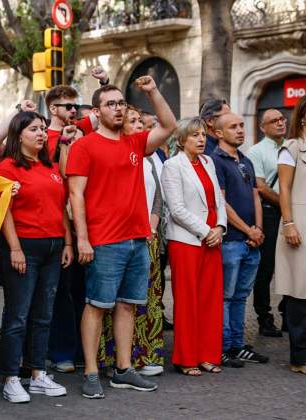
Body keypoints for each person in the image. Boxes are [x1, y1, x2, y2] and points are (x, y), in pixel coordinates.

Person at [67, 76, 176, 398]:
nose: (117, 109)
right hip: (105, 241)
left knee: (128, 305)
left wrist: (153, 91)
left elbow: (169, 126)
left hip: (137, 238)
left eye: (121, 103)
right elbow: (76, 195)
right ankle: (90, 372)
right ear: (97, 112)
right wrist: (83, 239)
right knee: (97, 306)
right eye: (110, 104)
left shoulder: (134, 142)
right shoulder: (84, 146)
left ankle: (123, 370)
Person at [0, 111, 74, 403]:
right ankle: (10, 377)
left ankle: (38, 373)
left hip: (53, 247)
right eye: (33, 129)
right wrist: (14, 248)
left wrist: (67, 243)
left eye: (43, 129)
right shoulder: (7, 167)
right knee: (17, 315)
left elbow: (60, 207)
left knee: (44, 315)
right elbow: (4, 212)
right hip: (25, 247)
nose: (41, 134)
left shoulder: (51, 167)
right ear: (19, 135)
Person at [97, 105, 165, 377]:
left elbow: (158, 197)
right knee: (116, 301)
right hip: (118, 236)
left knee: (147, 299)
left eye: (141, 121)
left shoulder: (147, 158)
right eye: (133, 121)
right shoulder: (115, 154)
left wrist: (152, 225)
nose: (139, 125)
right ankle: (118, 358)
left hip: (148, 235)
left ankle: (148, 354)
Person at [160, 117, 226, 376]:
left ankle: (208, 355)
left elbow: (218, 199)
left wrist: (220, 227)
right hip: (186, 240)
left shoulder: (208, 161)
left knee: (210, 299)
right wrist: (206, 230)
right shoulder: (172, 166)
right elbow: (175, 209)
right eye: (194, 135)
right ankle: (187, 358)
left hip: (213, 239)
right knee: (187, 300)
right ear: (181, 139)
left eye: (202, 135)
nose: (201, 139)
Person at [211, 112, 269, 367]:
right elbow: (220, 202)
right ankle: (224, 347)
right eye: (233, 127)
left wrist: (258, 229)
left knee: (241, 296)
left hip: (250, 241)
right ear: (219, 133)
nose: (240, 130)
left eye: (242, 125)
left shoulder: (245, 159)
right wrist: (248, 230)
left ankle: (237, 344)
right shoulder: (216, 161)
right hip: (232, 240)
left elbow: (256, 196)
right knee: (226, 296)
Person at [275, 94, 306, 375]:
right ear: (302, 116)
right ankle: (300, 356)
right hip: (299, 223)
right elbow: (284, 188)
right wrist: (289, 223)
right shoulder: (292, 148)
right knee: (300, 292)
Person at [247, 109, 287, 337]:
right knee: (266, 267)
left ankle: (289, 314)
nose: (280, 123)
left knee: (292, 264)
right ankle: (264, 317)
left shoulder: (291, 146)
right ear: (263, 127)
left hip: (292, 214)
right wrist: (287, 204)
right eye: (274, 121)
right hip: (271, 213)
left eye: (282, 119)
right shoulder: (256, 151)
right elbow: (261, 187)